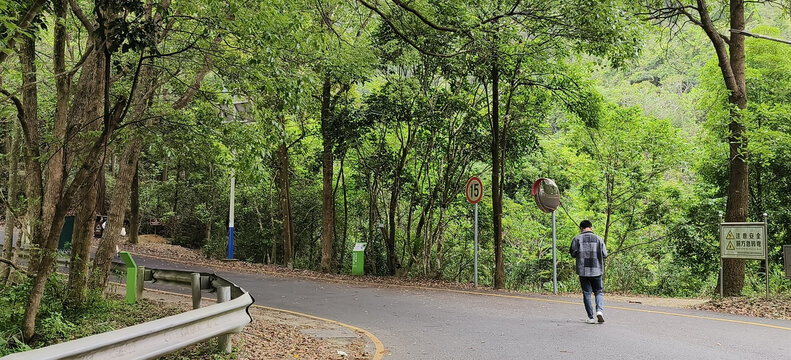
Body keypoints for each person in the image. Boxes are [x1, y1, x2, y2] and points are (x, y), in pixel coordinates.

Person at [570, 220, 608, 324]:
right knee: (598, 292)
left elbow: (573, 254)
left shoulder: (577, 239)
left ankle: (591, 318)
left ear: (581, 228)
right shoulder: (599, 239)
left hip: (583, 271)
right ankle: (599, 311)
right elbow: (605, 254)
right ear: (591, 227)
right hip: (597, 270)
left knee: (587, 293)